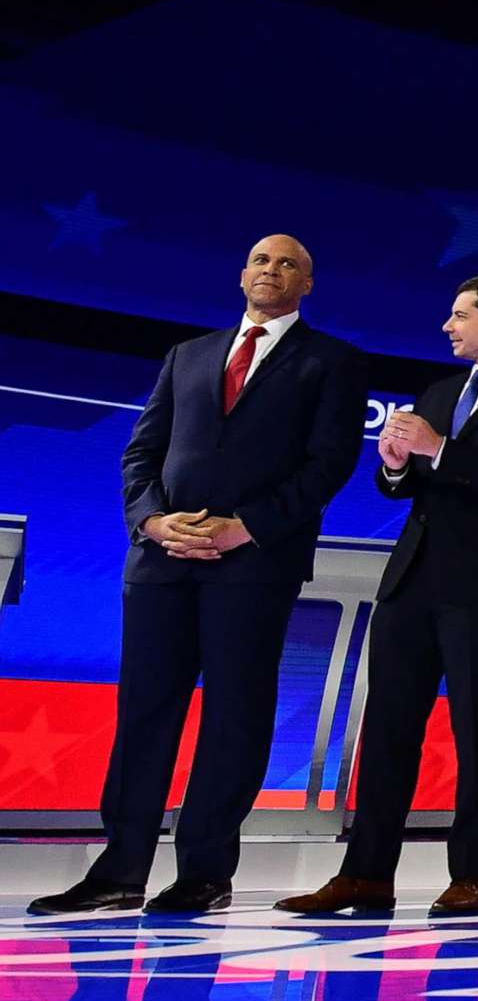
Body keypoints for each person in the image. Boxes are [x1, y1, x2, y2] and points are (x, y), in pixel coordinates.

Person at [33, 234, 367, 916]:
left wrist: (246, 525)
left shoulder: (332, 362)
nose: (270, 270)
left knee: (234, 717)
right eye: (260, 261)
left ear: (308, 284)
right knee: (144, 714)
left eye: (288, 264)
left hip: (252, 564)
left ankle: (205, 873)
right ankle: (119, 870)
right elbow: (141, 454)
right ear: (242, 273)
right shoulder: (186, 356)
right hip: (160, 563)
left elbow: (328, 464)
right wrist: (153, 522)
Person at [277, 273, 478, 917]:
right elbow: (405, 488)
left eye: (461, 315)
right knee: (386, 727)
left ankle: (472, 875)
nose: (447, 325)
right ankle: (366, 874)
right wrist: (394, 464)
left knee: (477, 729)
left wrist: (438, 450)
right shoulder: (440, 391)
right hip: (414, 578)